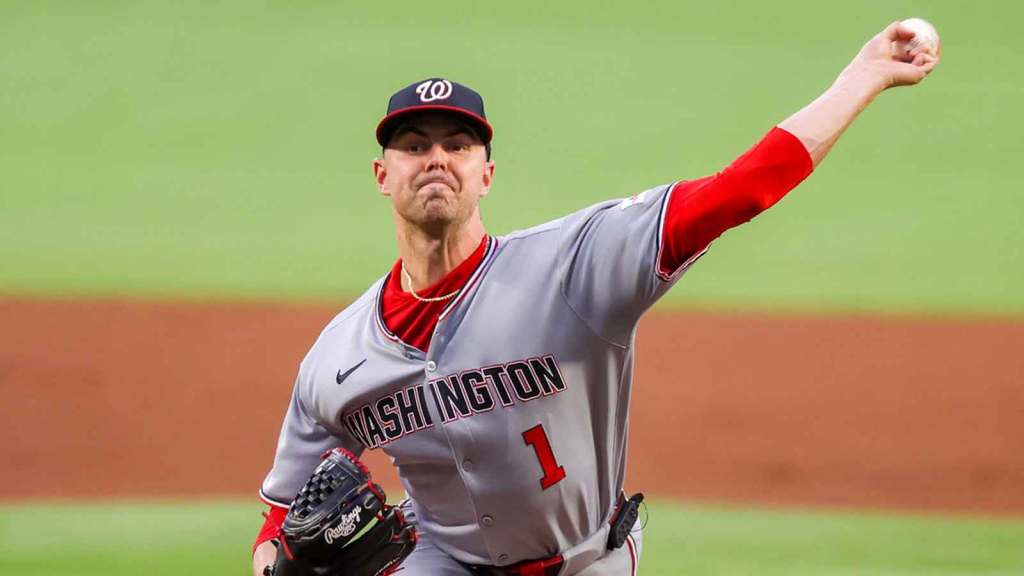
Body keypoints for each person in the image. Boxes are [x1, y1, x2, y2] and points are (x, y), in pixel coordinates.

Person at [252, 22, 939, 576]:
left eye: (458, 145)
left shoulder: (573, 267)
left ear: (486, 174)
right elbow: (281, 515)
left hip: (588, 561)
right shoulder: (338, 357)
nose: (436, 158)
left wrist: (863, 77)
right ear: (383, 174)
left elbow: (738, 192)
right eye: (414, 145)